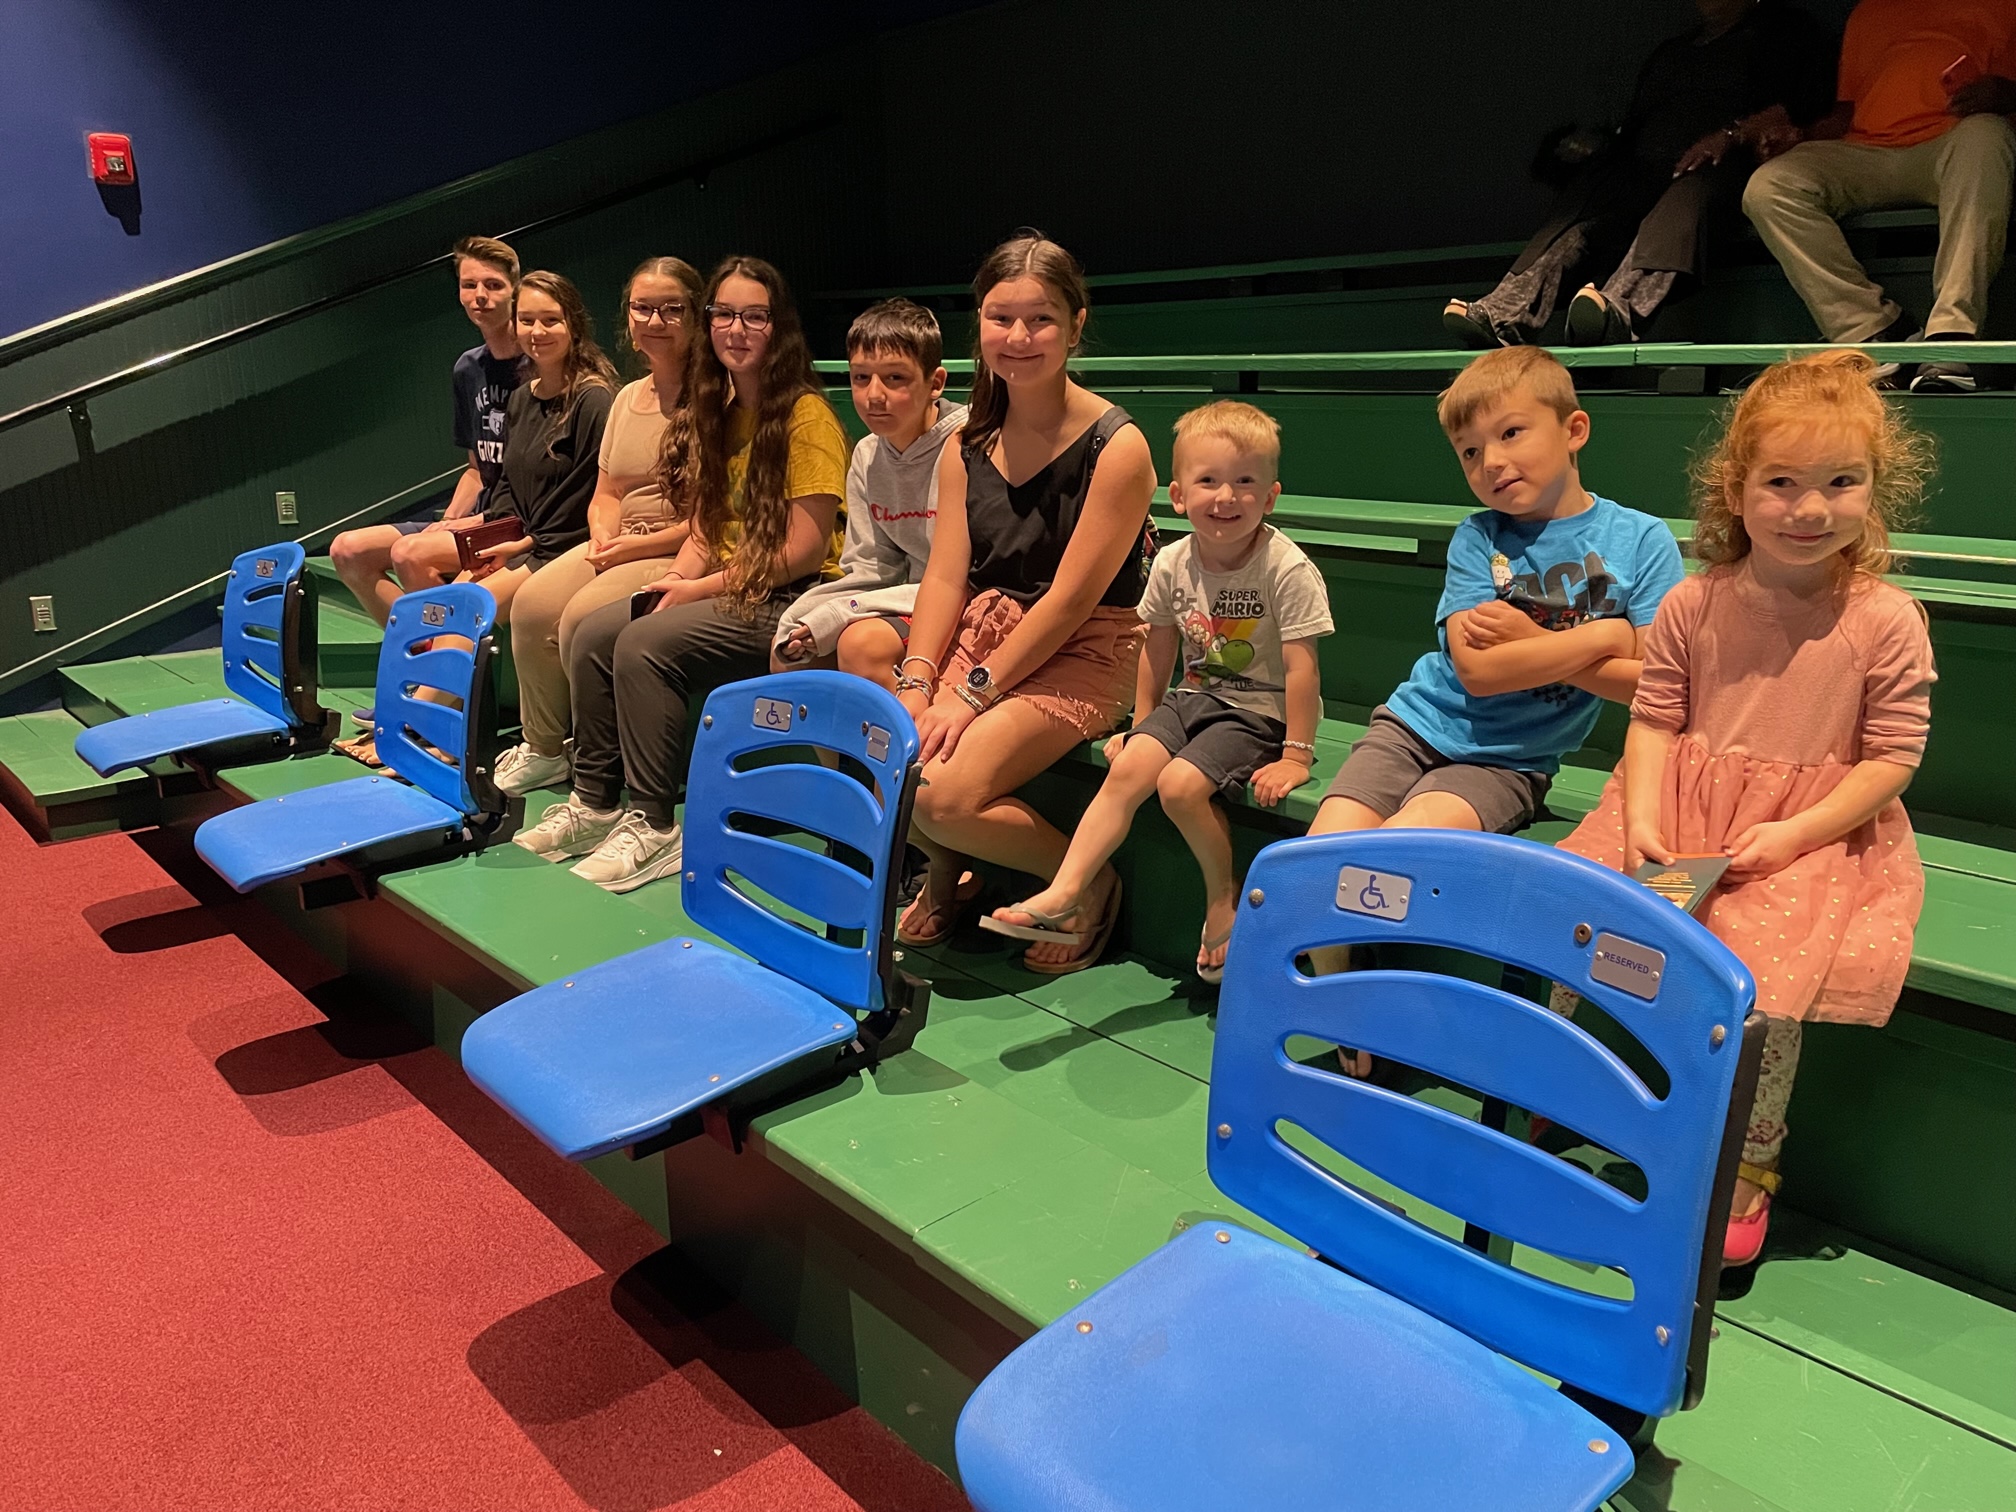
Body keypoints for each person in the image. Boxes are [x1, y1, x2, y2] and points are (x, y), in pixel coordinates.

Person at [1557, 351, 1935, 1264]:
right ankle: (1584, 1098)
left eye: (1841, 482)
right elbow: (1654, 720)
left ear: (1875, 490)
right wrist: (1642, 820)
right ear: (1737, 489)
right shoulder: (1694, 603)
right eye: (1782, 482)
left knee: (1766, 985)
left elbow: (1891, 759)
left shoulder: (1885, 618)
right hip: (1676, 807)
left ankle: (1749, 1161)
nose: (1810, 509)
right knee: (1579, 920)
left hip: (1814, 831)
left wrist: (1794, 831)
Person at [1308, 347, 1685, 1072]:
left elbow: (1652, 685)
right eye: (1470, 451)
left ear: (1574, 429)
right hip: (1415, 726)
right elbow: (1479, 673)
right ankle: (1345, 1009)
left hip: (1507, 763)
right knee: (1322, 854)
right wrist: (1603, 636)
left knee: (1400, 848)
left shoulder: (1641, 540)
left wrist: (1534, 639)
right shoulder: (1479, 536)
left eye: (1512, 433)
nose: (1492, 462)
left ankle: (1394, 1011)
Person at [511, 256, 849, 892]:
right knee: (596, 632)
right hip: (729, 581)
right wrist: (671, 583)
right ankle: (594, 803)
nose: (736, 329)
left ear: (779, 327)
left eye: (755, 317)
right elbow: (705, 530)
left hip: (790, 597)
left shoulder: (805, 417)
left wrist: (696, 587)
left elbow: (803, 552)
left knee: (644, 643)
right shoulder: (721, 409)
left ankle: (655, 824)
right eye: (726, 314)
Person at [984, 401, 1331, 979]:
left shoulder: (1283, 567)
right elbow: (1157, 646)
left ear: (1271, 497)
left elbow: (1303, 670)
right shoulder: (1172, 560)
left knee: (1178, 787)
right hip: (1192, 700)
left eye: (1246, 482)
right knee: (1128, 768)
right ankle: (1067, 888)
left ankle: (1222, 897)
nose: (1226, 497)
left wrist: (1296, 754)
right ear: (1178, 495)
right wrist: (1144, 723)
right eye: (1208, 480)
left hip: (1258, 711)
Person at [887, 233, 1157, 953]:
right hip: (989, 632)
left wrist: (968, 693)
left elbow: (1070, 602)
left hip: (1086, 646)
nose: (1018, 337)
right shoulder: (964, 443)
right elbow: (947, 576)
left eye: (1040, 320)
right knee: (888, 747)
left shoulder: (1117, 446)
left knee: (940, 796)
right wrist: (918, 679)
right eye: (1000, 318)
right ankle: (948, 874)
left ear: (1075, 325)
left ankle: (1085, 884)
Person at [1447, 0, 1836, 347]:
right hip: (1647, 167)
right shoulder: (1673, 52)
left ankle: (1618, 309)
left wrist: (1731, 135)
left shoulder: (1783, 32)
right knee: (1592, 194)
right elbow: (1634, 126)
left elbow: (1801, 107)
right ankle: (1504, 312)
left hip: (1724, 163)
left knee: (1689, 189)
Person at [490, 257, 702, 797]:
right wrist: (604, 533)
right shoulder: (629, 397)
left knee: (580, 617)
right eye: (642, 308)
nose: (654, 321)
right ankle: (544, 748)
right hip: (616, 540)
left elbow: (709, 520)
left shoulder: (713, 400)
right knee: (532, 604)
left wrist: (631, 547)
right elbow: (605, 491)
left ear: (695, 316)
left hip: (676, 548)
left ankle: (595, 761)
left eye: (671, 309)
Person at [1742, 0, 2016, 392]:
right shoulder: (1869, 11)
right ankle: (1876, 334)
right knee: (1770, 185)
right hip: (1867, 150)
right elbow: (1848, 111)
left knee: (1987, 134)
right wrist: (1800, 135)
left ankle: (1951, 336)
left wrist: (2006, 94)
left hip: (1953, 142)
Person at [770, 298, 968, 687]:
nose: (874, 395)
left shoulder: (969, 445)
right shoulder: (867, 454)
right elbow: (872, 568)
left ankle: (916, 729)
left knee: (861, 645)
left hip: (963, 600)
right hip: (906, 597)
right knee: (789, 656)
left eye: (895, 378)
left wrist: (843, 613)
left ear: (935, 383)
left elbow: (962, 578)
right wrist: (811, 618)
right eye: (861, 377)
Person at [329, 237, 523, 626]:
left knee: (411, 554)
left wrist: (467, 524)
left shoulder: (538, 366)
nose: (479, 296)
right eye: (469, 285)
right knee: (347, 550)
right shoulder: (468, 369)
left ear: (515, 291)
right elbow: (476, 470)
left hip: (514, 521)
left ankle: (440, 654)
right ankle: (420, 648)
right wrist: (449, 518)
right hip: (481, 512)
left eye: (493, 285)